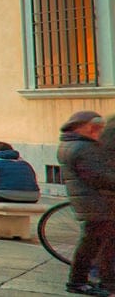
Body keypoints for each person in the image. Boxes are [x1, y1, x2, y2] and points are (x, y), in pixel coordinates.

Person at [60, 111, 114, 295]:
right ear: (81, 127)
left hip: (94, 202)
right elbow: (100, 177)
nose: (99, 131)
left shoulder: (73, 144)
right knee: (95, 244)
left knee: (97, 243)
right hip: (98, 203)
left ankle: (97, 282)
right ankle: (79, 282)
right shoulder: (83, 148)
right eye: (95, 127)